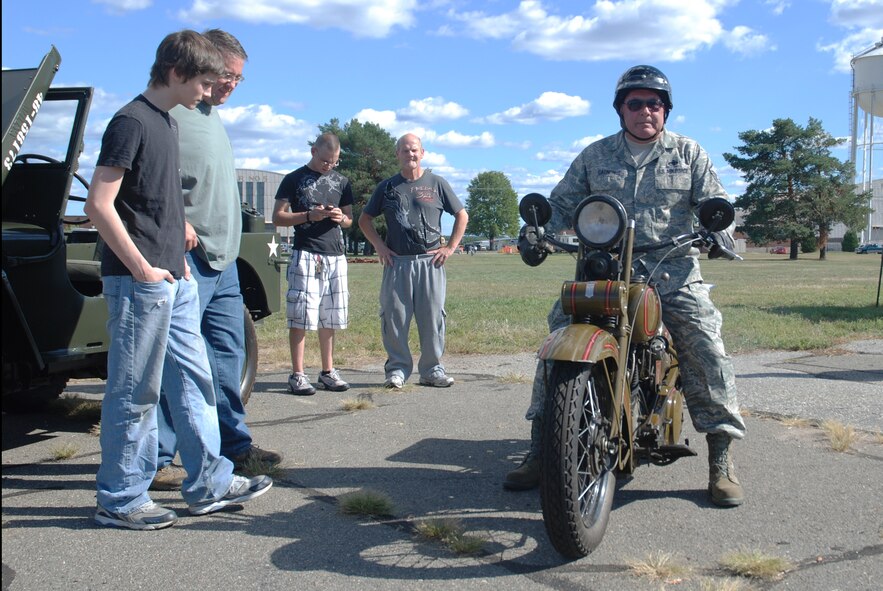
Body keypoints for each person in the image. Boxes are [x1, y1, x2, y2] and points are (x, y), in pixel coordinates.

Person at [503, 65, 746, 508]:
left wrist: (718, 233)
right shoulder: (595, 157)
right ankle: (543, 446)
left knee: (705, 344)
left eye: (654, 103)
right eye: (635, 103)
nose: (645, 111)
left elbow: (718, 205)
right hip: (604, 270)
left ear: (666, 111)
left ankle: (721, 457)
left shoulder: (689, 154)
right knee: (557, 335)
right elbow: (559, 206)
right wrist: (535, 230)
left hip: (672, 272)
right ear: (621, 110)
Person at [84, 30, 272, 530]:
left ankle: (209, 481)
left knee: (195, 380)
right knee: (135, 391)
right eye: (207, 81)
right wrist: (143, 268)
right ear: (176, 72)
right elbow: (99, 206)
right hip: (140, 281)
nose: (210, 91)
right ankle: (121, 497)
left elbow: (164, 206)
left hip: (176, 278)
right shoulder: (130, 122)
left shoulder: (166, 122)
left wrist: (177, 264)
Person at [150, 29, 282, 491]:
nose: (229, 86)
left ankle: (234, 447)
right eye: (225, 76)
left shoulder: (210, 116)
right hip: (191, 259)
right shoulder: (171, 113)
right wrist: (177, 220)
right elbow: (147, 179)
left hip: (224, 264)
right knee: (179, 362)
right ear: (201, 66)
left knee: (229, 354)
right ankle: (162, 458)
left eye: (238, 80)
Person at [358, 133, 468, 389]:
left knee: (432, 318)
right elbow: (365, 220)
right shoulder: (387, 187)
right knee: (394, 317)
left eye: (414, 150)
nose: (410, 155)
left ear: (422, 153)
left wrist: (450, 247)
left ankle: (432, 370)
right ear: (397, 154)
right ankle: (397, 369)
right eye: (405, 150)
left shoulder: (437, 183)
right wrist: (380, 246)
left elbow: (462, 215)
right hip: (398, 263)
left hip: (431, 263)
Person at [271, 133, 354, 395]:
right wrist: (309, 215)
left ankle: (328, 371)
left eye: (334, 162)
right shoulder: (293, 179)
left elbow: (351, 220)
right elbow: (278, 217)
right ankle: (297, 374)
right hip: (306, 253)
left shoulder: (342, 182)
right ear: (313, 151)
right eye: (325, 160)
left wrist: (341, 217)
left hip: (335, 254)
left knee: (330, 315)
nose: (329, 166)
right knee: (302, 315)